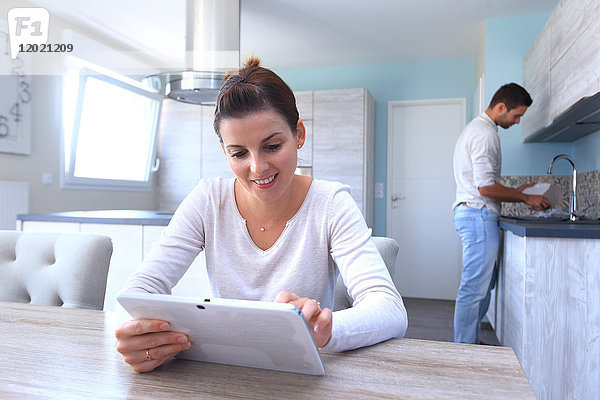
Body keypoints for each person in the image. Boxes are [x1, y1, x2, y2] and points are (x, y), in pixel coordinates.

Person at [115, 56, 408, 372]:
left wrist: (325, 329)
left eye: (272, 146)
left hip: (300, 375)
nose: (257, 168)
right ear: (225, 151)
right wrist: (144, 336)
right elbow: (140, 291)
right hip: (226, 370)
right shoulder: (207, 200)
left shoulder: (331, 203)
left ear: (298, 134)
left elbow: (389, 308)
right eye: (239, 153)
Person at [452, 82, 551, 344]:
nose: (517, 122)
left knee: (481, 288)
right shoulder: (485, 134)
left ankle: (469, 344)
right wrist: (525, 196)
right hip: (478, 215)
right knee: (474, 289)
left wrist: (518, 191)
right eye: (516, 115)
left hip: (475, 214)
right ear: (501, 107)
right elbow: (485, 189)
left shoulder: (478, 130)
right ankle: (464, 351)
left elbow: (483, 185)